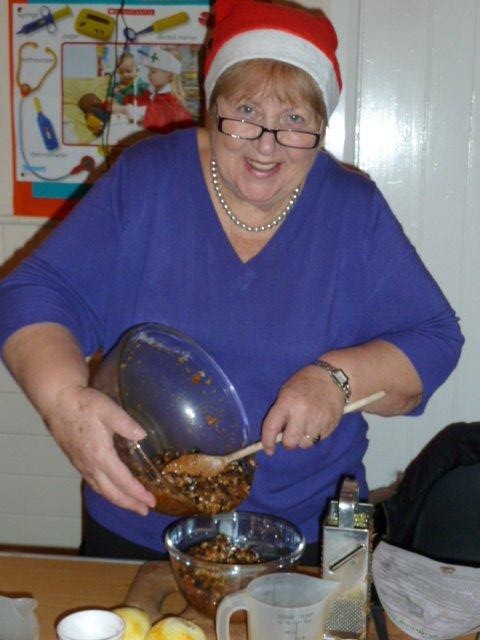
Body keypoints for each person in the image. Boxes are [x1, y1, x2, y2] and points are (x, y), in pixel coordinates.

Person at [0, 0, 464, 564]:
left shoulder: (352, 211)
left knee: (339, 616)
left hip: (309, 542)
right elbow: (33, 295)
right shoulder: (148, 181)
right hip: (139, 528)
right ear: (212, 104)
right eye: (245, 111)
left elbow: (435, 338)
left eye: (295, 120)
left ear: (322, 126)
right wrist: (64, 404)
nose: (267, 144)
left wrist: (338, 380)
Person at [141, 45, 192, 132]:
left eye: (153, 71)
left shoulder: (170, 104)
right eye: (149, 70)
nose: (149, 74)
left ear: (170, 75)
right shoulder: (153, 94)